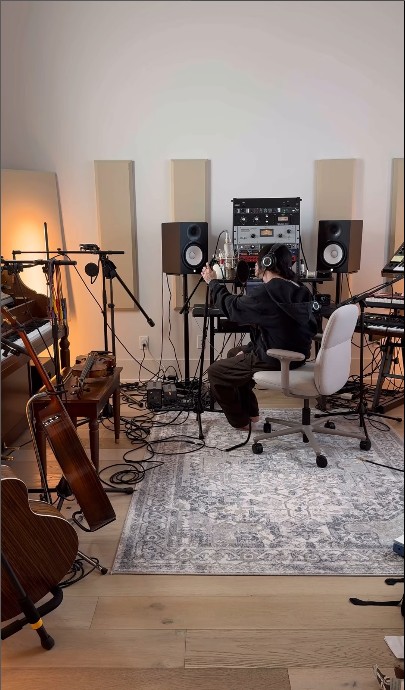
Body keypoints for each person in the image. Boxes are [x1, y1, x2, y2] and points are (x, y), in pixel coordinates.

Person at [201, 244, 318, 430]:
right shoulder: (299, 288)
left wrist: (213, 282)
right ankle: (251, 412)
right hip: (297, 354)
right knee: (234, 352)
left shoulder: (268, 292)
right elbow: (282, 328)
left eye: (257, 261)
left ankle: (240, 421)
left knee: (216, 372)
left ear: (267, 263)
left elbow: (233, 308)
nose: (255, 265)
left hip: (275, 357)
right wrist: (249, 350)